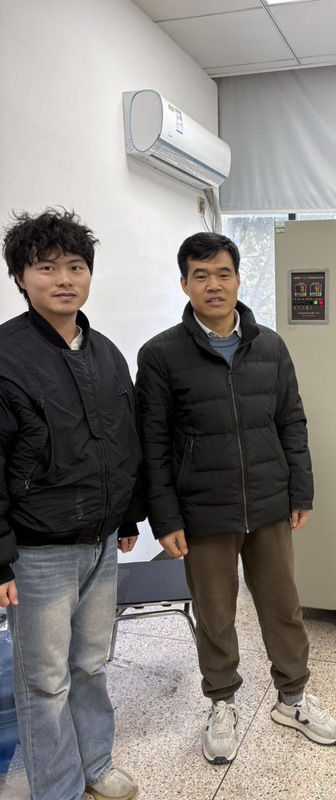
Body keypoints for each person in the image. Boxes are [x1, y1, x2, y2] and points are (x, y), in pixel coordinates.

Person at [136, 232, 336, 765]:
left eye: (223, 273)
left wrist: (300, 489)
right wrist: (165, 518)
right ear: (184, 283)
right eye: (201, 275)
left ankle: (292, 698)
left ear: (238, 279)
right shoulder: (160, 354)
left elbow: (291, 422)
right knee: (215, 614)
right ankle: (222, 703)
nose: (214, 284)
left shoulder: (270, 346)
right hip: (202, 510)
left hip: (269, 502)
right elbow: (152, 444)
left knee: (283, 606)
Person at [0, 209, 142, 800]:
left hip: (101, 541)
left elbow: (123, 438)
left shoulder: (105, 351)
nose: (64, 279)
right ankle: (56, 789)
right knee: (45, 680)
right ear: (20, 277)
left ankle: (95, 767)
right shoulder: (6, 355)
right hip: (38, 551)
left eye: (76, 266)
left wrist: (128, 513)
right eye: (46, 267)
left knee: (90, 663)